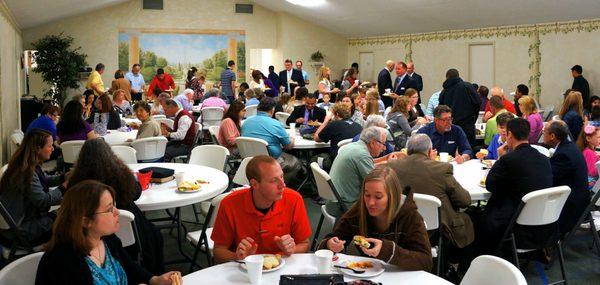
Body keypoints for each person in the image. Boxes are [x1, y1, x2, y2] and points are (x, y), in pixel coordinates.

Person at [35, 180, 177, 284]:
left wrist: (154, 279)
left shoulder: (108, 240)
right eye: (109, 209)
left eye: (114, 205)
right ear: (85, 221)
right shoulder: (60, 263)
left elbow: (130, 267)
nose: (117, 212)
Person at [68, 139, 165, 273]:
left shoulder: (76, 180)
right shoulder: (120, 174)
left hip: (91, 235)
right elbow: (136, 192)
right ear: (109, 154)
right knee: (154, 234)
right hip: (131, 231)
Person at [318, 165, 432, 271]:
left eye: (378, 197)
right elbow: (325, 245)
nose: (370, 203)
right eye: (367, 195)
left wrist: (387, 250)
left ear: (392, 197)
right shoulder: (358, 211)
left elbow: (426, 262)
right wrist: (329, 244)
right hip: (368, 275)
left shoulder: (410, 216)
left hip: (401, 276)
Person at [211, 156, 311, 263]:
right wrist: (237, 256)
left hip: (281, 266)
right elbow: (218, 251)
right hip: (245, 269)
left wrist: (292, 249)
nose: (283, 185)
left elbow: (305, 244)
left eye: (282, 177)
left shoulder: (294, 199)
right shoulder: (229, 204)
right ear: (254, 184)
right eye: (274, 181)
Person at [475, 118, 553, 253]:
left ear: (509, 135)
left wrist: (500, 158)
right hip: (543, 224)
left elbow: (490, 184)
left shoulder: (509, 160)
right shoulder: (544, 159)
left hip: (515, 226)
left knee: (476, 217)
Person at [388, 134, 474, 249]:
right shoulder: (442, 168)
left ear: (407, 151)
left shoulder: (392, 166)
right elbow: (465, 201)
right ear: (429, 151)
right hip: (438, 229)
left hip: (402, 225)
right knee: (471, 215)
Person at [0, 130, 66, 245]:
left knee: (65, 212)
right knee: (68, 219)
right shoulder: (25, 171)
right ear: (37, 148)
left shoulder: (27, 164)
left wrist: (63, 177)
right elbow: (43, 200)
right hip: (19, 232)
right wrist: (64, 186)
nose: (53, 149)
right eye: (49, 146)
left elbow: (44, 179)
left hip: (22, 221)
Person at [329, 127, 404, 212]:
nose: (384, 148)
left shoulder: (354, 146)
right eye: (383, 144)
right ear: (372, 143)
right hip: (344, 206)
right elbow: (377, 183)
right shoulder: (362, 155)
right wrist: (391, 165)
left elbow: (369, 165)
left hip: (334, 200)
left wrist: (386, 160)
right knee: (395, 201)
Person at [543, 120, 589, 235]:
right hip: (579, 198)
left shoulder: (564, 154)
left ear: (552, 136)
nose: (542, 134)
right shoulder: (569, 147)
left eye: (544, 132)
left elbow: (549, 179)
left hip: (572, 206)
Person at [241, 97, 302, 183]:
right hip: (270, 161)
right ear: (272, 110)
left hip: (248, 160)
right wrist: (292, 138)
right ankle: (279, 185)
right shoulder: (275, 124)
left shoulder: (246, 122)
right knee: (295, 162)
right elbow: (288, 146)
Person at [438, 69, 481, 147]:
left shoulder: (444, 92)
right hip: (467, 126)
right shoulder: (467, 86)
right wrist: (473, 119)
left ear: (447, 78)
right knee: (468, 150)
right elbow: (478, 103)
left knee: (451, 151)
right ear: (458, 76)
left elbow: (440, 110)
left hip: (450, 126)